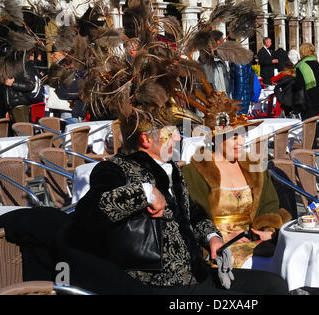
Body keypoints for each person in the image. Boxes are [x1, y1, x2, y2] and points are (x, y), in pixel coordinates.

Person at [67, 107, 289, 294]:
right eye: (170, 132)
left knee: (274, 285)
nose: (178, 137)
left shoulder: (172, 168)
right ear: (145, 139)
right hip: (156, 282)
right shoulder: (113, 169)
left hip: (195, 272)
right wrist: (146, 192)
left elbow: (193, 214)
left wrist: (212, 238)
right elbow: (97, 207)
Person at [182, 121, 292, 268]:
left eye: (242, 135)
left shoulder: (255, 168)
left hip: (254, 239)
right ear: (216, 138)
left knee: (289, 257)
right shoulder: (194, 172)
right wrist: (219, 237)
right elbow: (191, 216)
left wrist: (267, 231)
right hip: (216, 246)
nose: (240, 142)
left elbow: (269, 205)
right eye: (234, 137)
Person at [293, 43, 319, 120]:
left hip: (307, 100)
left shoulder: (301, 66)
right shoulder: (318, 65)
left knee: (308, 123)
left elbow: (299, 85)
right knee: (313, 121)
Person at [199, 30, 230, 95]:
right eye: (222, 40)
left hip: (223, 98)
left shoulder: (219, 58)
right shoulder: (206, 59)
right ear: (218, 42)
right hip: (216, 99)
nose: (223, 42)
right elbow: (208, 82)